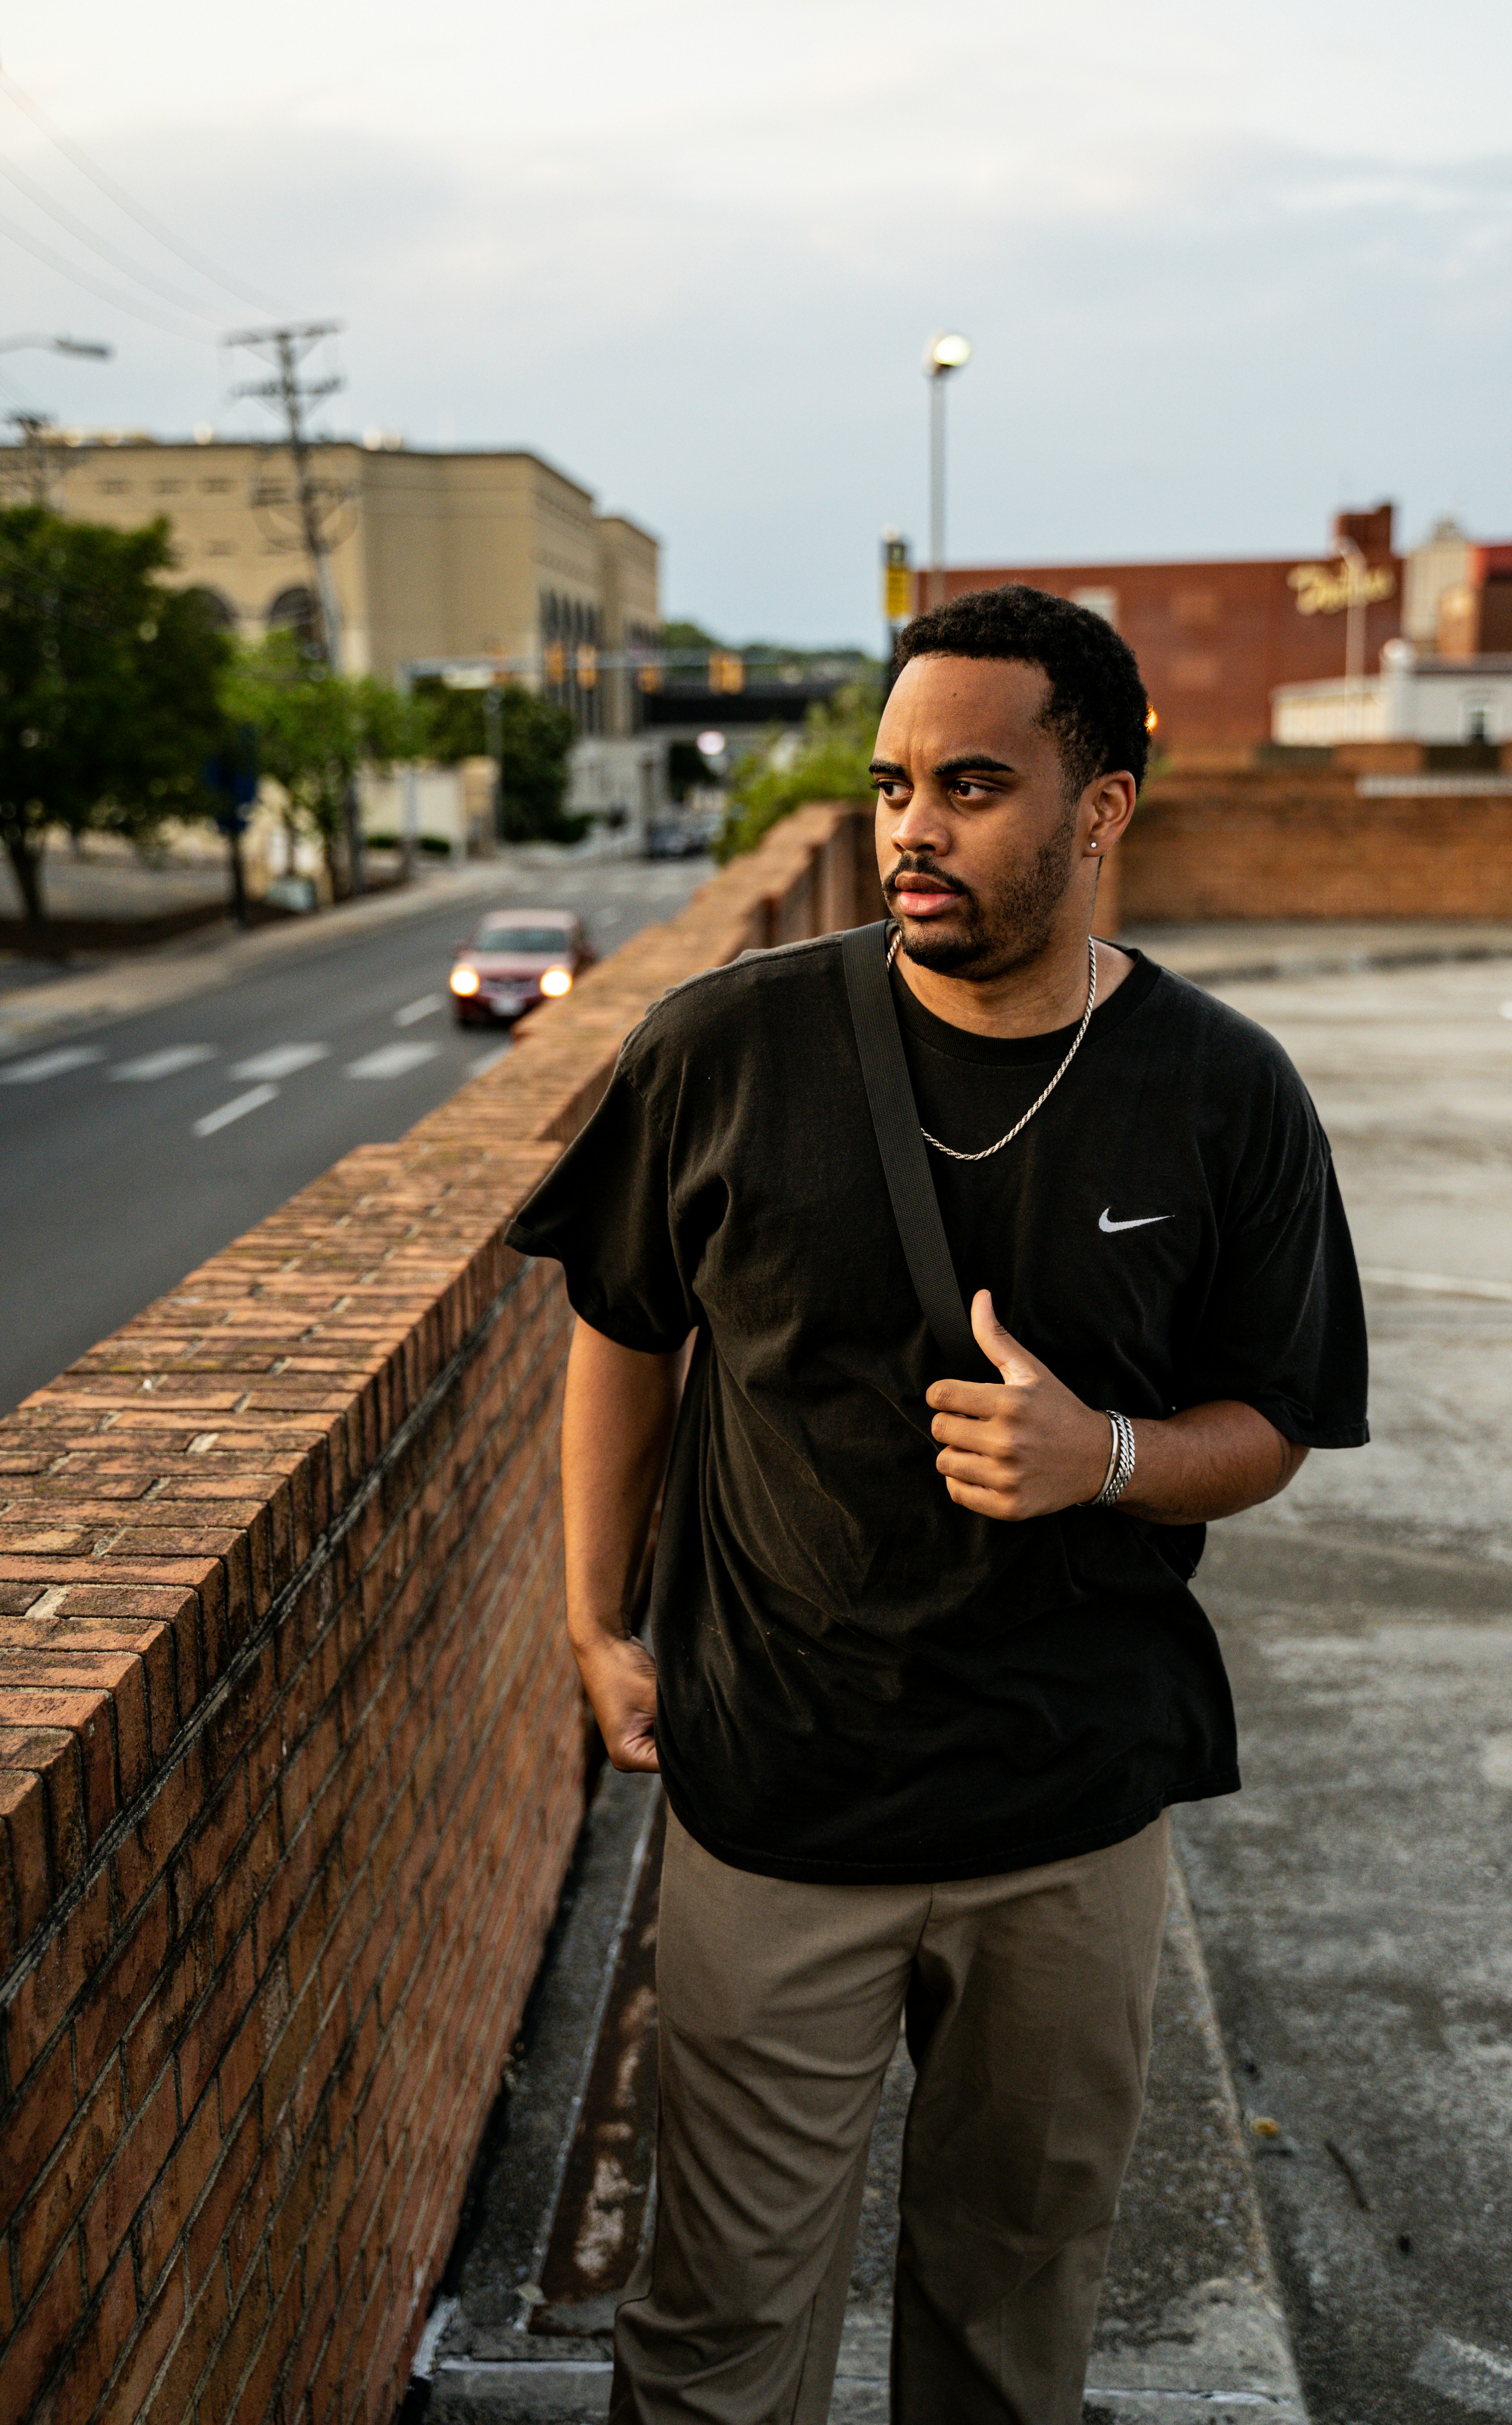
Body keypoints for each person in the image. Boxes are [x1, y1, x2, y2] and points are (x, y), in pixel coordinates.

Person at [506, 584, 1369, 2425]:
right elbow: (623, 1327)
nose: (913, 828)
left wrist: (1107, 1459)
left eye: (972, 786)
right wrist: (596, 1617)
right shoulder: (723, 1051)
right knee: (715, 2342)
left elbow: (1277, 1420)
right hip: (780, 1800)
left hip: (1070, 1818)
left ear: (1102, 808)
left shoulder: (1224, 1095)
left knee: (1007, 2330)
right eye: (897, 785)